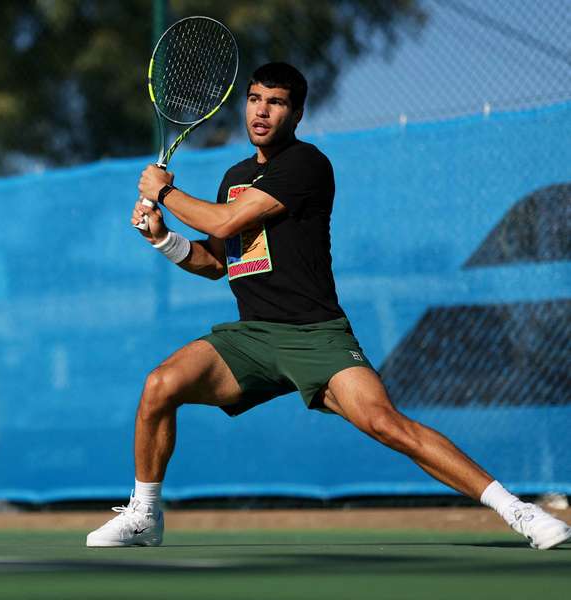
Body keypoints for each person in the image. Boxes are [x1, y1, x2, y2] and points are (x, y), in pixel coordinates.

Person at [85, 62, 571, 550]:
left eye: (275, 102)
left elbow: (230, 221)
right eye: (255, 98)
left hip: (315, 334)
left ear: (295, 114)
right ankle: (144, 514)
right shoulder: (234, 176)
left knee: (387, 425)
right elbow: (216, 261)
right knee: (159, 386)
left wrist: (164, 192)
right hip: (251, 336)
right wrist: (163, 239)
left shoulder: (305, 165)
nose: (261, 110)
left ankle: (520, 512)